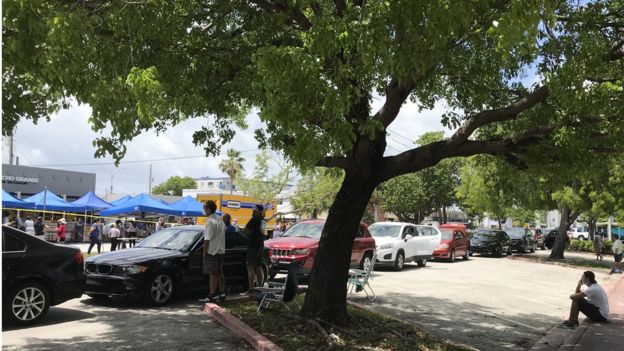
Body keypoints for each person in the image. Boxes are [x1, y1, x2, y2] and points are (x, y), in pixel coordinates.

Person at [202, 200, 226, 302]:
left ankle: (212, 295)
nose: (204, 211)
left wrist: (204, 252)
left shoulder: (209, 221)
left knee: (212, 274)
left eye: (204, 209)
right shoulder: (220, 219)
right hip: (221, 250)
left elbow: (207, 238)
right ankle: (222, 293)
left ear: (208, 209)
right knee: (220, 273)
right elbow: (224, 231)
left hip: (212, 251)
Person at [243, 204, 265, 293]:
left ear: (256, 210)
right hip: (260, 244)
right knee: (258, 266)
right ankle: (260, 287)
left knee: (250, 267)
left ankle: (251, 289)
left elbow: (244, 230)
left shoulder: (254, 219)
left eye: (254, 209)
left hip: (252, 245)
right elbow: (262, 232)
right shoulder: (262, 220)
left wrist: (249, 232)